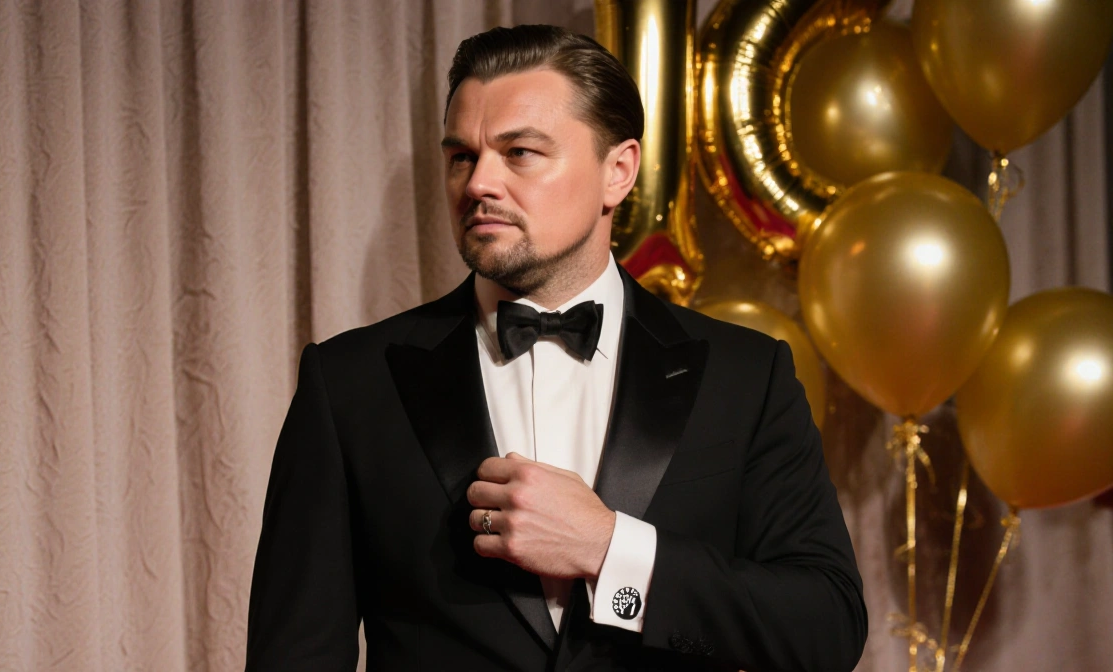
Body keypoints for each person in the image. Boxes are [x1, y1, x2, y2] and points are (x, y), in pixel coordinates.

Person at [245, 24, 866, 671]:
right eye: (462, 156)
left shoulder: (746, 376)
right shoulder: (349, 383)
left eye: (519, 153)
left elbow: (825, 626)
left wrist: (609, 548)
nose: (479, 182)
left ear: (618, 171)